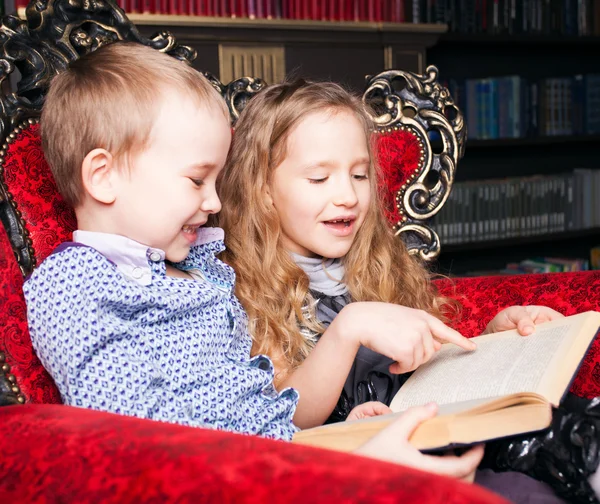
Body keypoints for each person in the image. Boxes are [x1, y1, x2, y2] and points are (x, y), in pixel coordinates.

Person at [23, 41, 486, 481]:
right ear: (103, 177)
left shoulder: (202, 266)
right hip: (231, 478)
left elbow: (268, 406)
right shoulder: (73, 283)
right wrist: (340, 459)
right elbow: (141, 440)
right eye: (197, 180)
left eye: (217, 180)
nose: (213, 201)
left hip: (284, 459)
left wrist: (344, 435)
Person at [217, 79, 599, 503]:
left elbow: (424, 372)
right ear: (263, 191)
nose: (347, 195)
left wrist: (494, 340)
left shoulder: (375, 262)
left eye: (359, 175)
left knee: (555, 436)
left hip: (436, 435)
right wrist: (347, 329)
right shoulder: (239, 287)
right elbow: (290, 412)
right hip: (359, 468)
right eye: (319, 178)